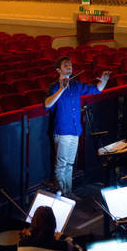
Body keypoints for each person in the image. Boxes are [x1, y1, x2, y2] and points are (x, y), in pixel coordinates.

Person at [44, 56, 110, 195]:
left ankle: (67, 193)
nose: (69, 67)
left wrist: (104, 80)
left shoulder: (75, 85)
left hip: (75, 130)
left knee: (69, 165)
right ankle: (63, 194)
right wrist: (61, 89)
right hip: (62, 131)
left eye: (70, 65)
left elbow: (96, 90)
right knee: (61, 166)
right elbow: (47, 104)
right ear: (58, 70)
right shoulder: (54, 86)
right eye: (66, 65)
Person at [17, 205, 84, 251]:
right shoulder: (64, 247)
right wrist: (64, 237)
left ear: (33, 223)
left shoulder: (22, 244)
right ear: (53, 225)